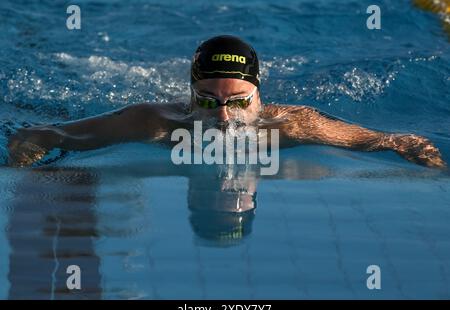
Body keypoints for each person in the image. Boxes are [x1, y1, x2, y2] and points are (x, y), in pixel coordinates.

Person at [7, 35, 446, 168]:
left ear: (260, 95)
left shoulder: (295, 126)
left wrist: (424, 156)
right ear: (189, 96)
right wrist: (28, 159)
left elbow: (394, 139)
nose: (223, 115)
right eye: (208, 99)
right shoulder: (150, 123)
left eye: (238, 101)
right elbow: (41, 133)